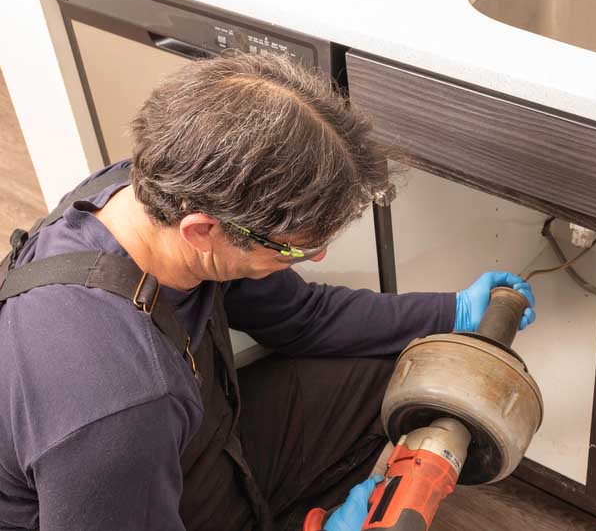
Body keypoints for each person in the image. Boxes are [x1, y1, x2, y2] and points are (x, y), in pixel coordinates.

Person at [0, 52, 535, 531]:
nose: (314, 257)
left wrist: (457, 310)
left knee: (392, 369)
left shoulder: (145, 193)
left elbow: (302, 315)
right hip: (127, 492)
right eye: (295, 250)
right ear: (203, 230)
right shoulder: (118, 407)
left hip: (187, 447)